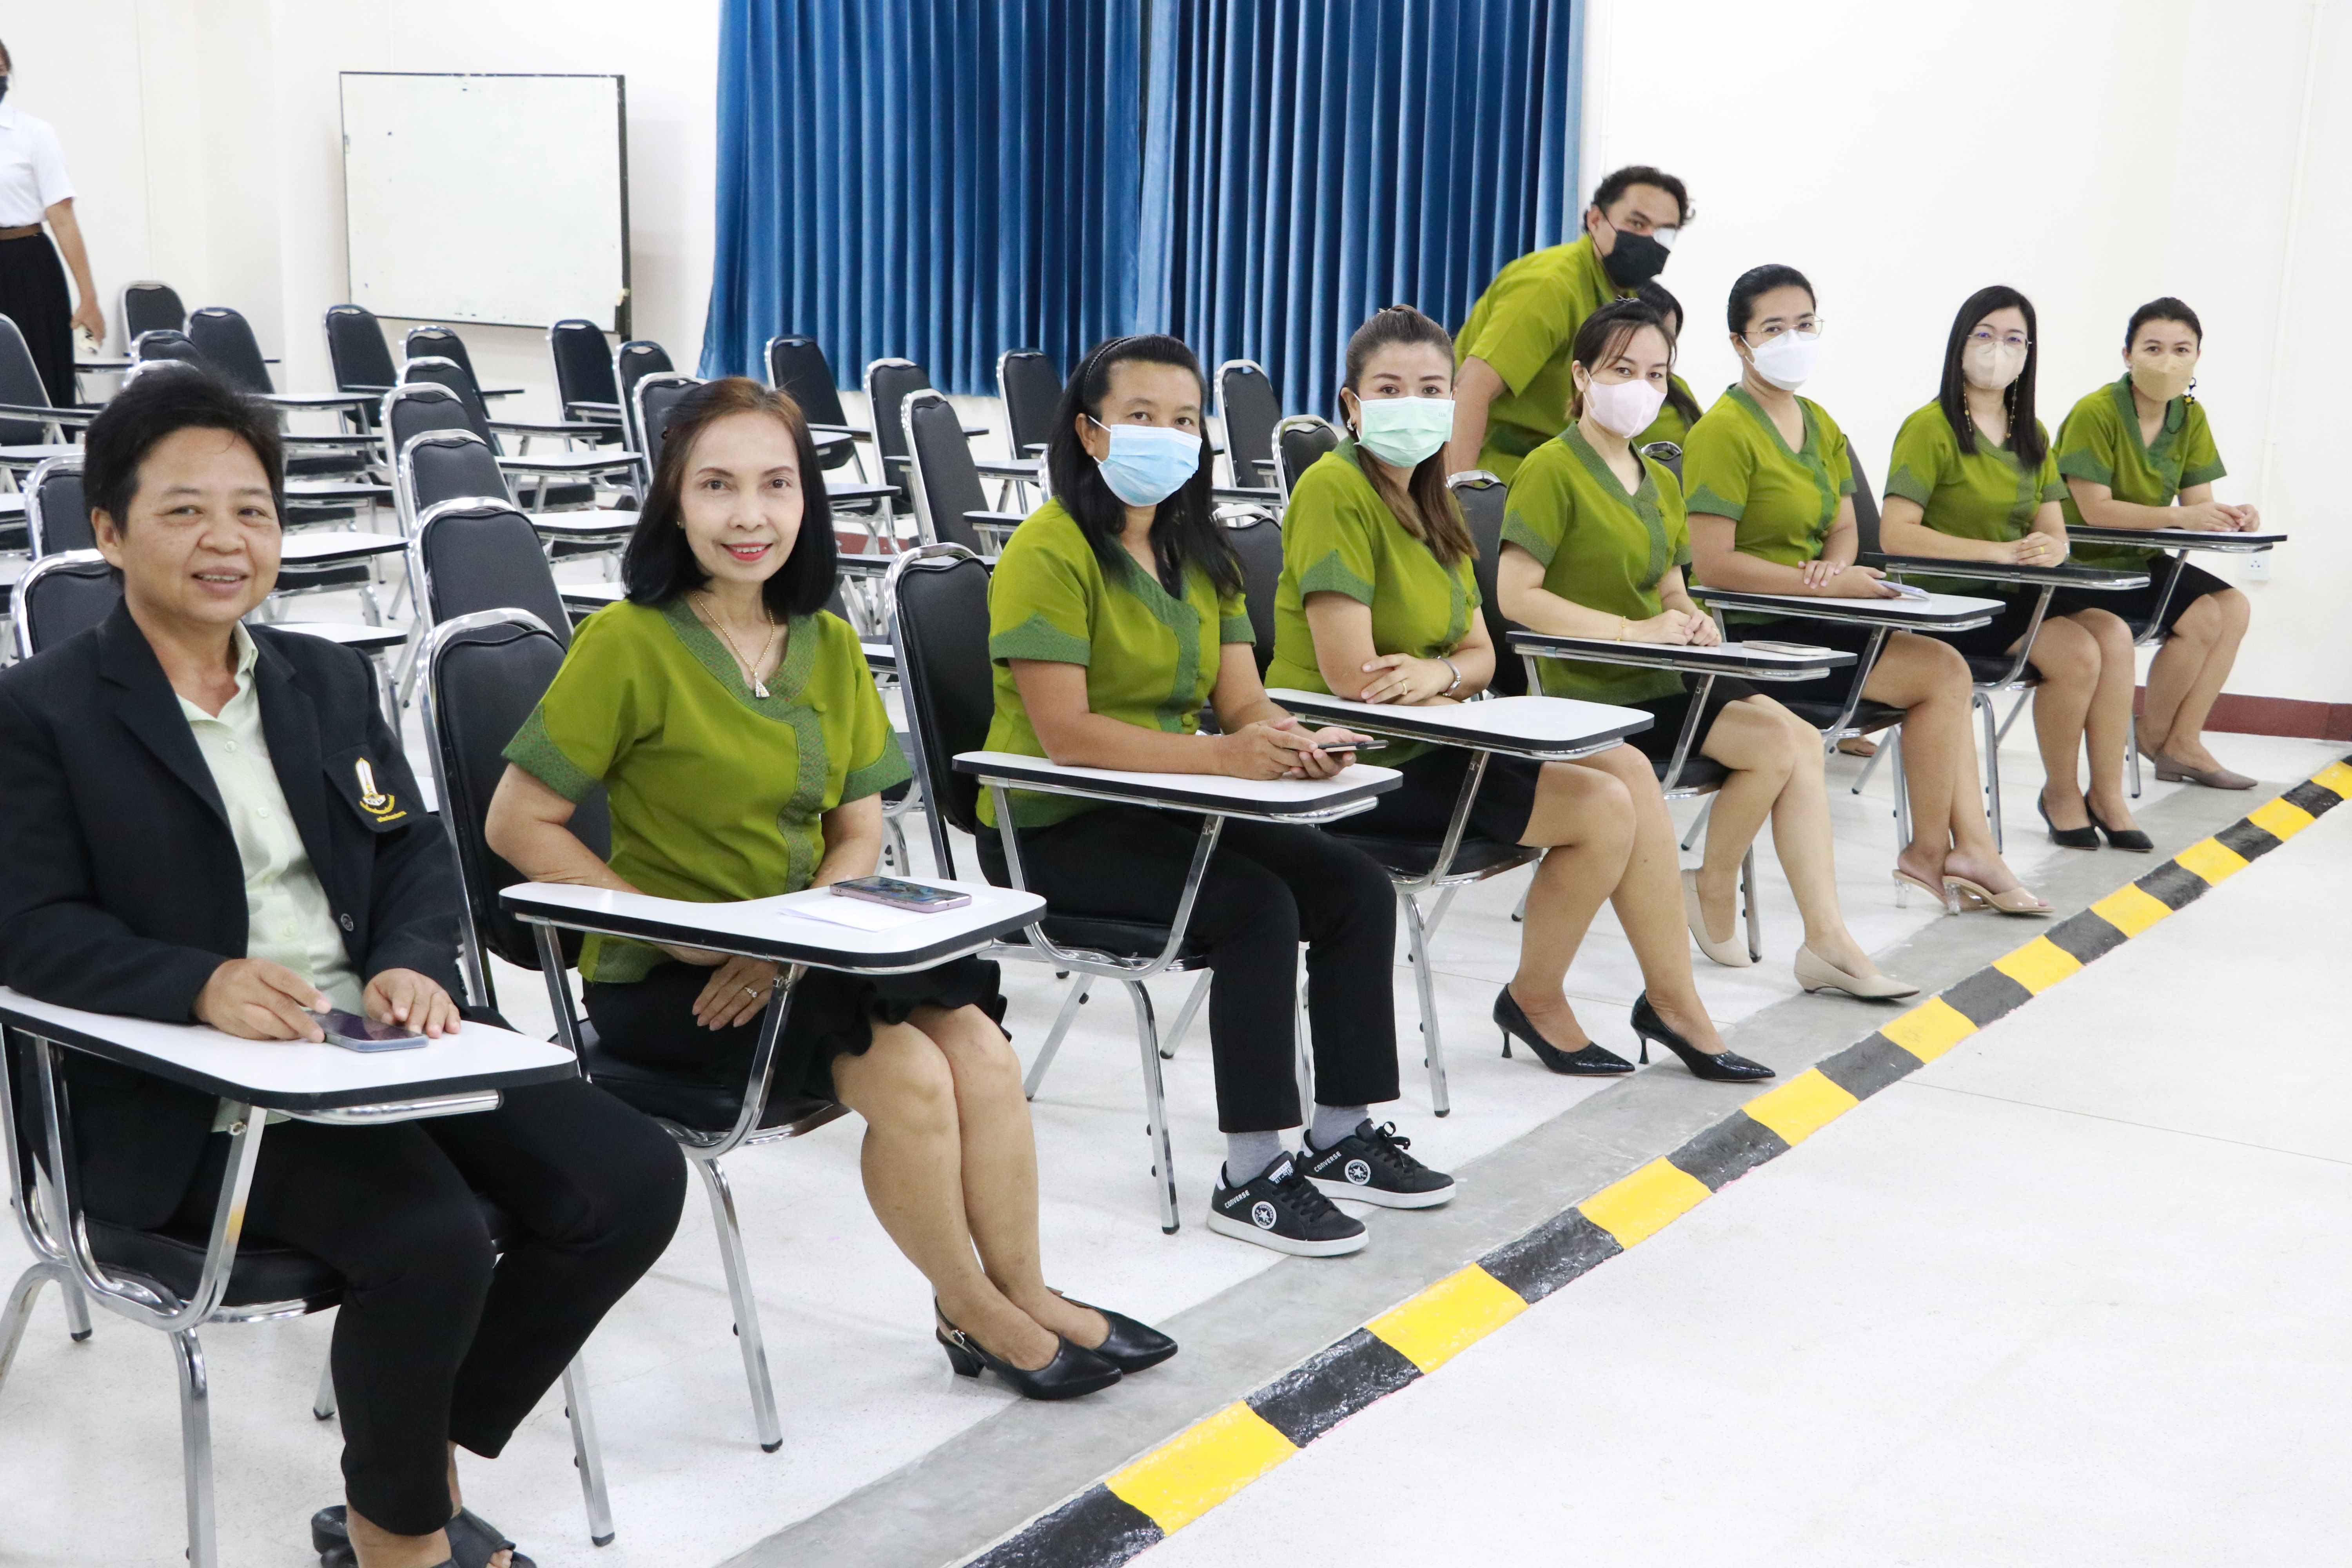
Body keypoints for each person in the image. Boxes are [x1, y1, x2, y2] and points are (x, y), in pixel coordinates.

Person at [0, 364, 687, 1568]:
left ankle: (417, 1458)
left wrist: (412, 960)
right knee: (426, 1237)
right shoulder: (40, 711)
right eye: (184, 510)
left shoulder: (322, 680)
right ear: (108, 530)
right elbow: (25, 926)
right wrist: (197, 981)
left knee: (629, 1178)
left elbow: (410, 848)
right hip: (192, 1089)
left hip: (374, 1043)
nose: (227, 540)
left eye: (253, 510)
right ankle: (397, 1538)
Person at [485, 377, 1169, 1402]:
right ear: (674, 499)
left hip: (806, 953)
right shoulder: (628, 642)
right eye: (717, 485)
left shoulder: (829, 640)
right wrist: (680, 935)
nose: (749, 515)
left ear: (807, 499)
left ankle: (1025, 1288)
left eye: (776, 485)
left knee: (982, 1050)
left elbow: (857, 830)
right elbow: (516, 822)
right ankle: (972, 1310)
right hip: (676, 980)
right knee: (912, 1076)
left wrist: (790, 948)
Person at [976, 333, 1456, 1259]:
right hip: (1054, 822)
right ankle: (1251, 1174)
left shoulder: (1203, 553)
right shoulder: (1050, 550)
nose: (1167, 434)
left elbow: (1242, 703)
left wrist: (1292, 741)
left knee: (1355, 887)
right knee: (1255, 907)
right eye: (1141, 416)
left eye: (1184, 419)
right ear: (1089, 431)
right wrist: (1226, 760)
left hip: (1169, 806)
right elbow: (1067, 735)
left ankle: (1341, 1135)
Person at [1268, 303, 1786, 1081]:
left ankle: (1668, 1001)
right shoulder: (1333, 489)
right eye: (1390, 388)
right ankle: (1546, 998)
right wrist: (1444, 683)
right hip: (1359, 757)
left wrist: (1440, 677)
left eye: (1431, 390)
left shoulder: (1433, 498)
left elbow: (1481, 655)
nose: (1413, 405)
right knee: (1601, 807)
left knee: (1627, 769)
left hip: (1438, 731)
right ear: (1352, 403)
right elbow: (1355, 677)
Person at [1495, 299, 1918, 1002]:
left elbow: (1670, 585)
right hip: (1593, 686)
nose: (1640, 387)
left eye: (1656, 374)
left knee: (1796, 740)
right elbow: (1517, 596)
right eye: (1622, 370)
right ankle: (1719, 889)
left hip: (1665, 674)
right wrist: (1631, 632)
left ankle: (1823, 939)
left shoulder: (1659, 479)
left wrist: (1691, 618)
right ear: (1581, 374)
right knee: (1778, 744)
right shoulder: (1550, 470)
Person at [1683, 265, 2050, 916]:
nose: (1793, 340)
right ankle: (1945, 853)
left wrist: (1833, 570)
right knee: (1940, 672)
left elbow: (1848, 527)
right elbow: (1713, 567)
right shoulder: (1722, 431)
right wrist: (1819, 587)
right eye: (1774, 328)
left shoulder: (1819, 423)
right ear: (1740, 342)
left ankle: (1957, 850)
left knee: (1945, 669)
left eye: (1805, 324)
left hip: (1817, 608)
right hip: (1761, 629)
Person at [1878, 286, 2151, 852]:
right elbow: (1896, 534)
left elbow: (2053, 530)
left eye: (2013, 339)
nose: (1997, 349)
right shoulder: (1929, 428)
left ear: (2029, 353)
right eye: (1985, 335)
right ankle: (2061, 793)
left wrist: (2051, 549)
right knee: (2077, 653)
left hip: (2016, 589)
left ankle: (2107, 793)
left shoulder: (2032, 433)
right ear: (1960, 344)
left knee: (2114, 634)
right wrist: (1996, 552)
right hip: (1952, 599)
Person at [2054, 297, 2259, 789]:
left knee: (2234, 607)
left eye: (2181, 350)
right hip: (2082, 560)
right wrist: (2182, 516)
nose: (2167, 361)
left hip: (2140, 555)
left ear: (2197, 358)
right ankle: (2154, 735)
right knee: (2203, 616)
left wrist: (2233, 517)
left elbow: (2197, 503)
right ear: (2127, 354)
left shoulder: (2189, 415)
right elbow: (2096, 511)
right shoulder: (2095, 412)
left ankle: (2183, 741)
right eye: (2153, 348)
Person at [1448, 164, 1691, 481]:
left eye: (1663, 232)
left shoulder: (1622, 295)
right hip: (1503, 473)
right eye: (1637, 223)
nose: (1649, 240)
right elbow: (1471, 389)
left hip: (1565, 471)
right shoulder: (1550, 285)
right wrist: (1458, 493)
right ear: (1595, 220)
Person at [0, 38, 103, 405]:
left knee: (37, 376)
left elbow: (63, 217)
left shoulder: (33, 134)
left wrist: (88, 297)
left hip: (27, 265)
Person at [1629, 280, 1706, 454]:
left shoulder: (1677, 385)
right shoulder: (1605, 392)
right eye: (1658, 336)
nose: (1665, 348)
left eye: (1670, 339)